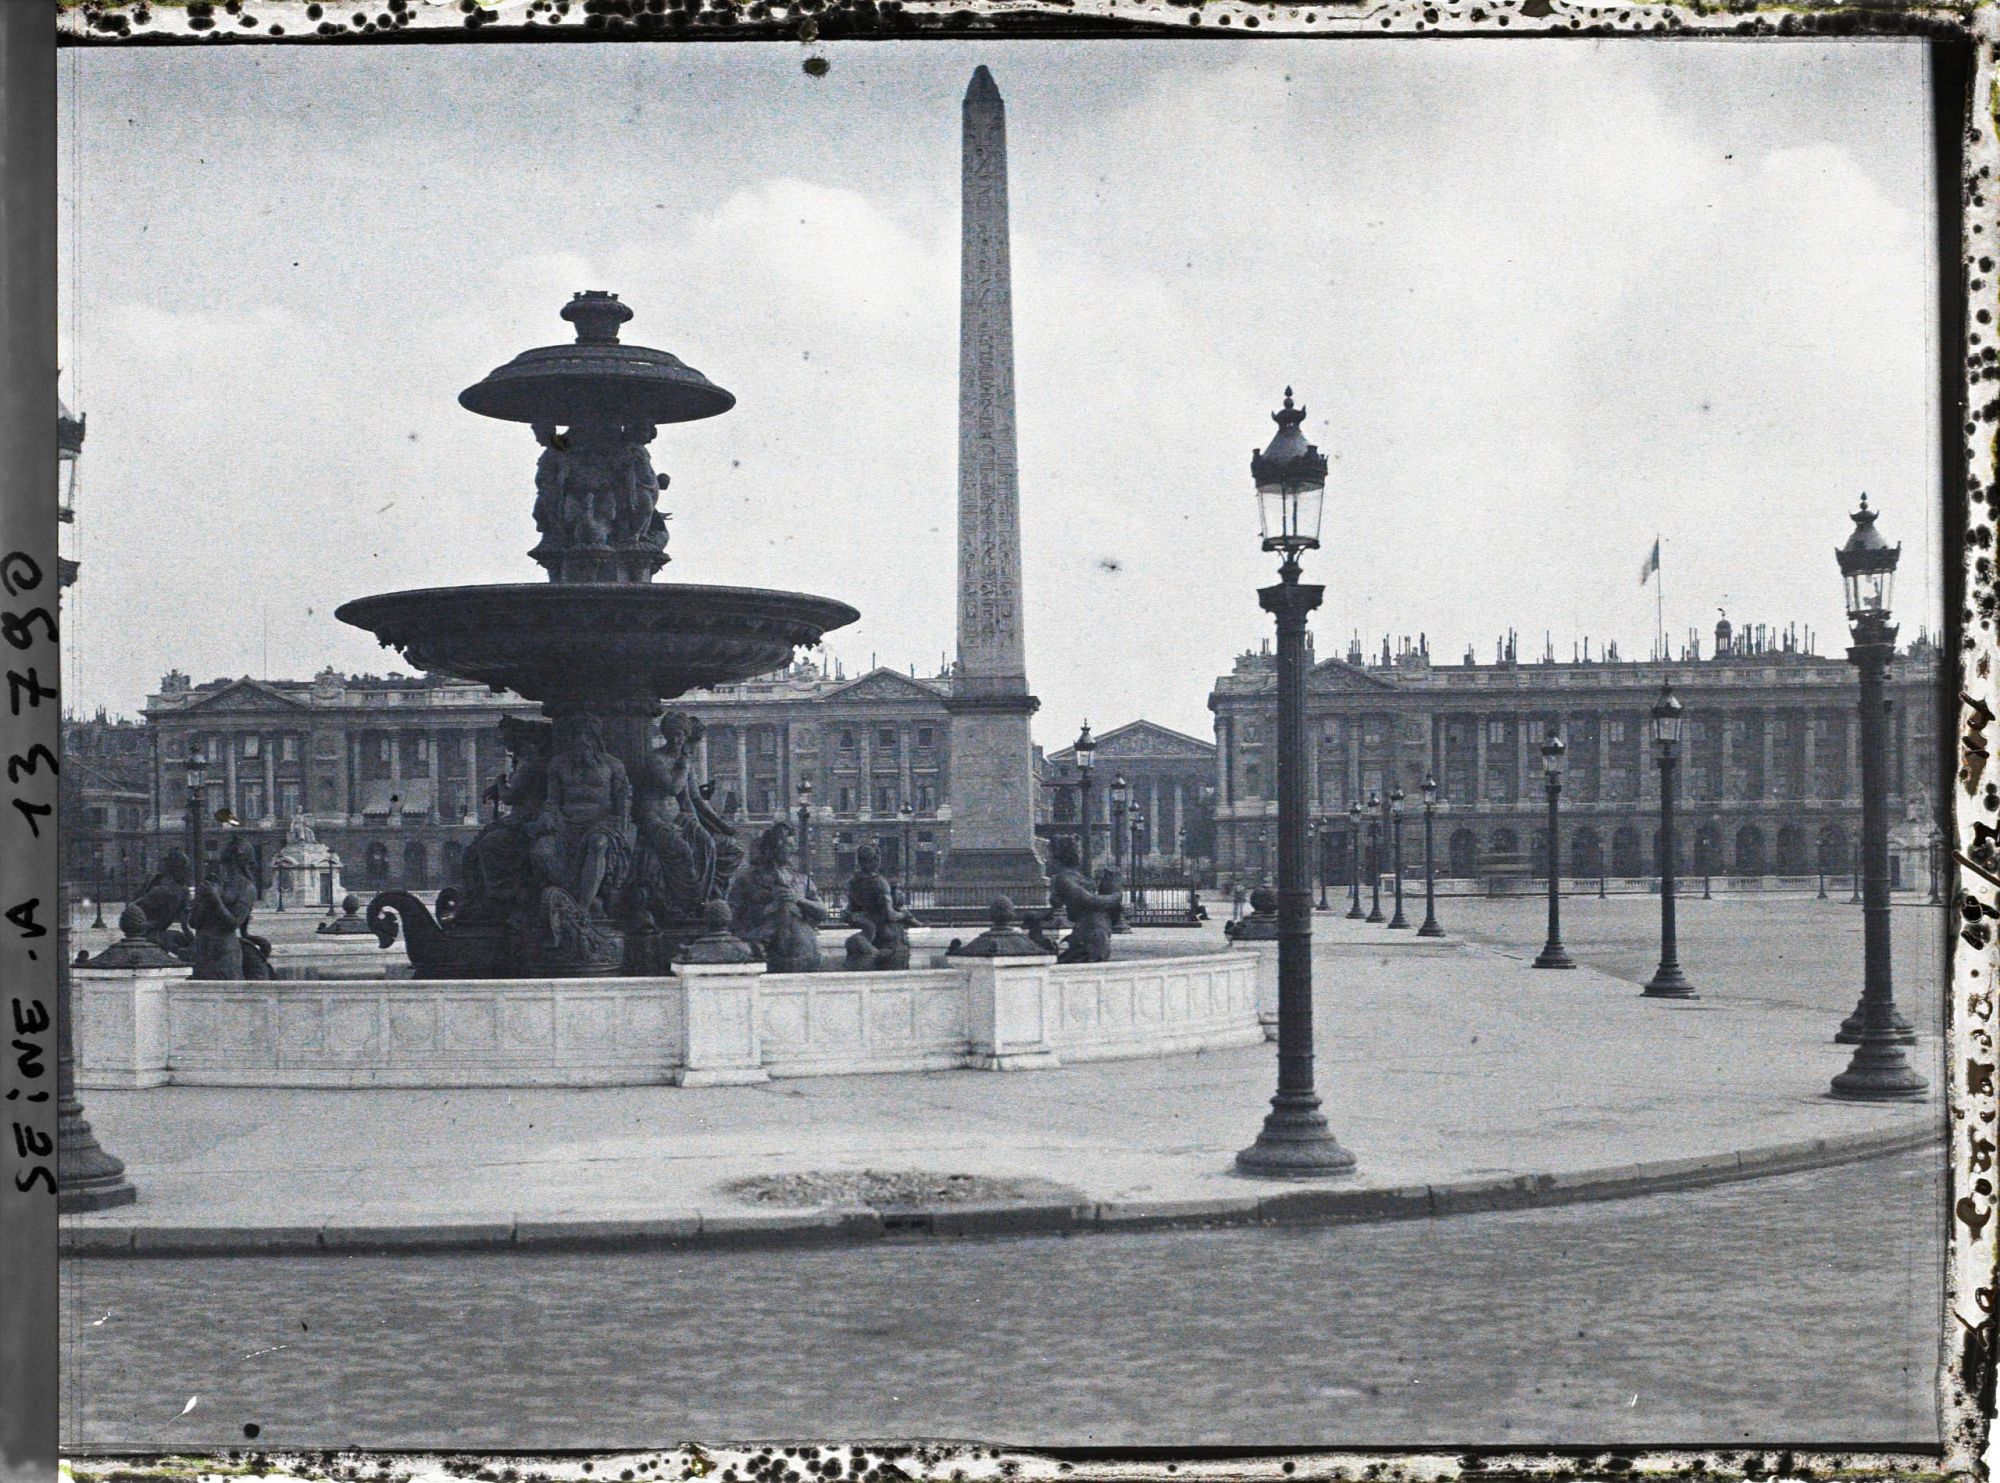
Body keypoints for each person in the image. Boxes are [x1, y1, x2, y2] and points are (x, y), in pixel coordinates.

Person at [727, 820, 827, 972]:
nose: (791, 851)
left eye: (792, 847)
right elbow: (732, 919)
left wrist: (798, 899)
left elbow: (822, 912)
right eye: (787, 846)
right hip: (768, 954)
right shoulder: (747, 879)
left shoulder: (801, 879)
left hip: (806, 953)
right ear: (773, 848)